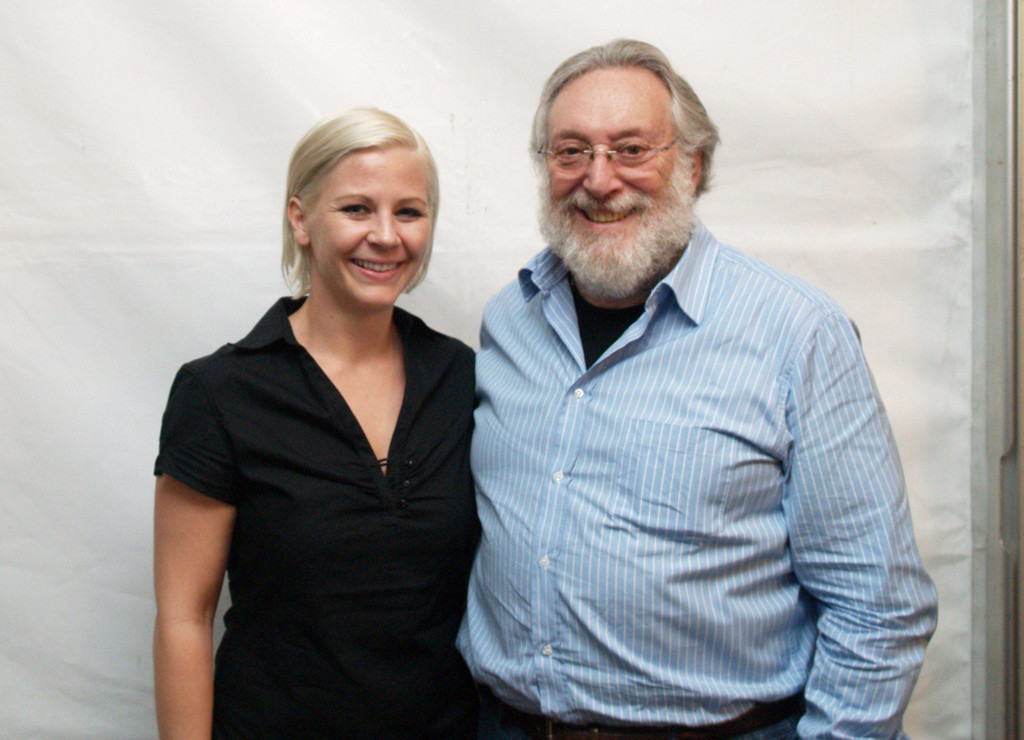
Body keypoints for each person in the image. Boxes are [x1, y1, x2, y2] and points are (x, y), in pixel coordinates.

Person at [458, 39, 938, 739]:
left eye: (631, 149)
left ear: (693, 164)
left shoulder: (797, 332)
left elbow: (877, 606)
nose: (599, 179)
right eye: (571, 151)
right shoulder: (510, 320)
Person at [153, 108, 478, 738]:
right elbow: (183, 619)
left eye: (409, 212)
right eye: (357, 209)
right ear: (300, 220)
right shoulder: (221, 393)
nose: (386, 235)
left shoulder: (462, 379)